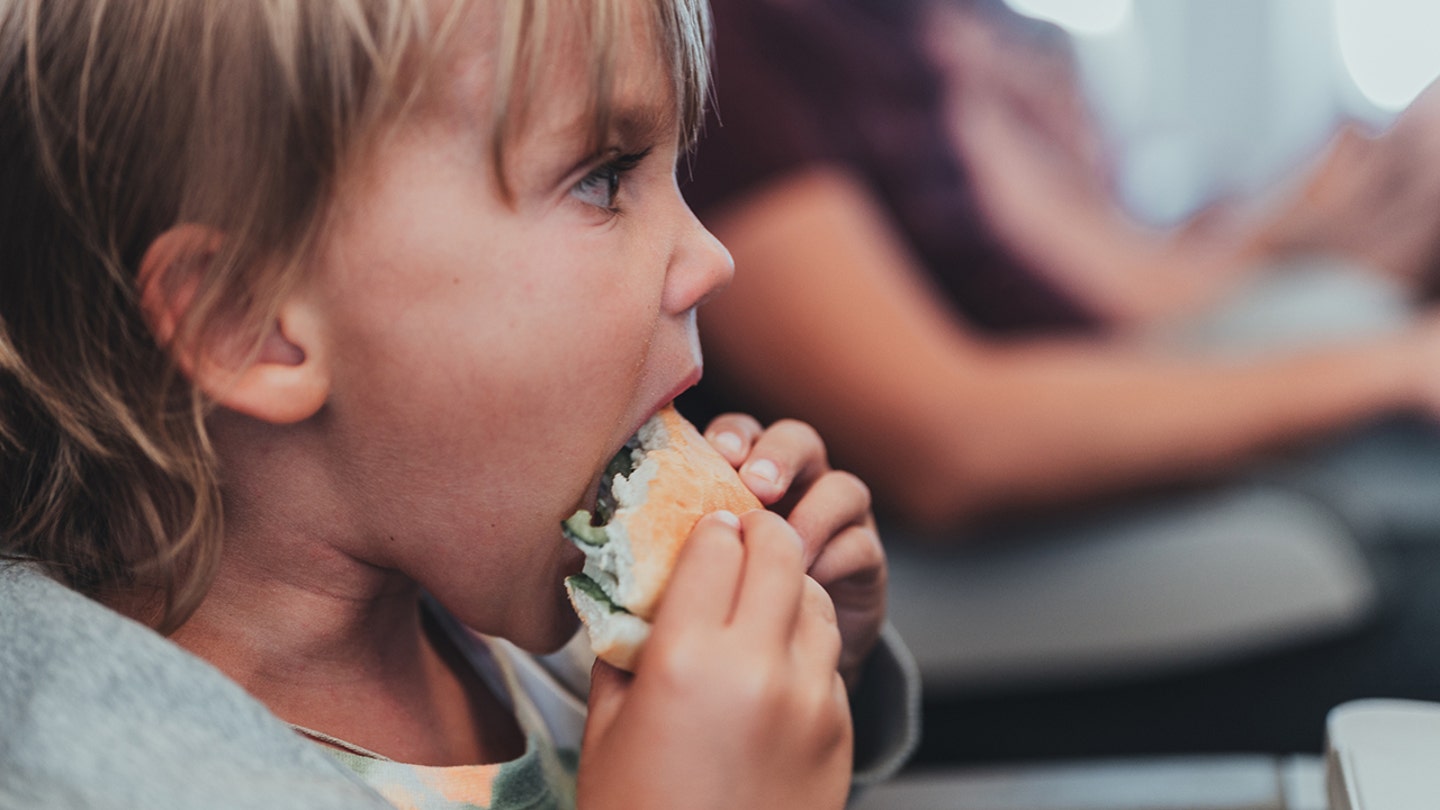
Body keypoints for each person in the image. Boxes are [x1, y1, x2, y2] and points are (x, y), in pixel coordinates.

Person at [0, 1, 917, 808]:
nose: (713, 258)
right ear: (245, 320)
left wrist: (797, 683)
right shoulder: (99, 773)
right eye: (604, 175)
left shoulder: (537, 636)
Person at [678, 0, 1440, 531]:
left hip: (1119, 381)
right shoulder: (734, 51)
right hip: (990, 533)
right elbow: (949, 442)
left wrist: (1325, 231)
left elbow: (1132, 290)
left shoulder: (891, 34)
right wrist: (1392, 367)